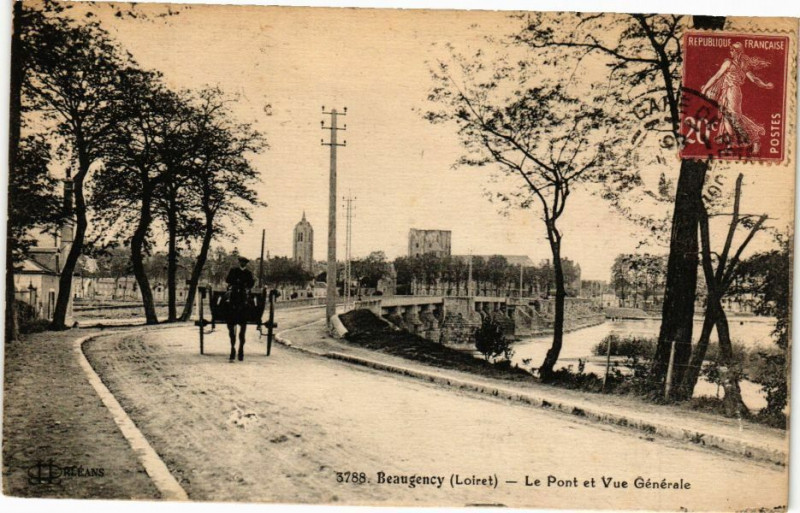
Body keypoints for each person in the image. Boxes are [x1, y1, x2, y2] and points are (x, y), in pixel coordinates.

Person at [701, 42, 773, 153]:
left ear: (737, 51)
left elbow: (716, 77)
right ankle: (731, 145)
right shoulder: (742, 65)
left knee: (734, 117)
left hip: (732, 92)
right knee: (727, 117)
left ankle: (755, 140)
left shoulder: (729, 63)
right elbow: (754, 79)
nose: (730, 52)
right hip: (728, 92)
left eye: (732, 50)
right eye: (730, 50)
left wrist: (705, 88)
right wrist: (765, 85)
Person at [225, 256, 255, 361]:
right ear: (239, 262)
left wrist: (247, 287)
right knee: (226, 301)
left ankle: (241, 349)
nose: (242, 264)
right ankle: (232, 349)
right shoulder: (233, 271)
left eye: (244, 262)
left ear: (246, 264)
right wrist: (234, 283)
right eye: (241, 262)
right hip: (234, 291)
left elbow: (251, 283)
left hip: (243, 293)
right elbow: (227, 279)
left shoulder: (248, 273)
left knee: (251, 303)